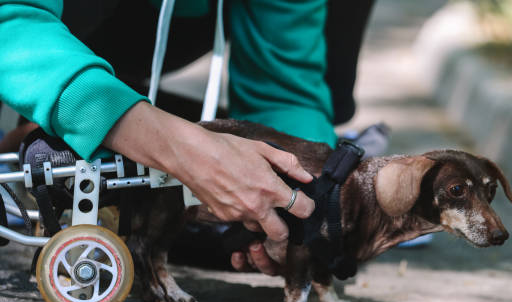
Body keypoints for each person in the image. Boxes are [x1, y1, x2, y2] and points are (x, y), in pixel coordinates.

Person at [0, 0, 376, 272]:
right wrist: (187, 151)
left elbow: (284, 90)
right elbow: (10, 24)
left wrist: (311, 194)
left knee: (219, 234)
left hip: (164, 29)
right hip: (39, 29)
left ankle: (91, 117)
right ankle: (58, 116)